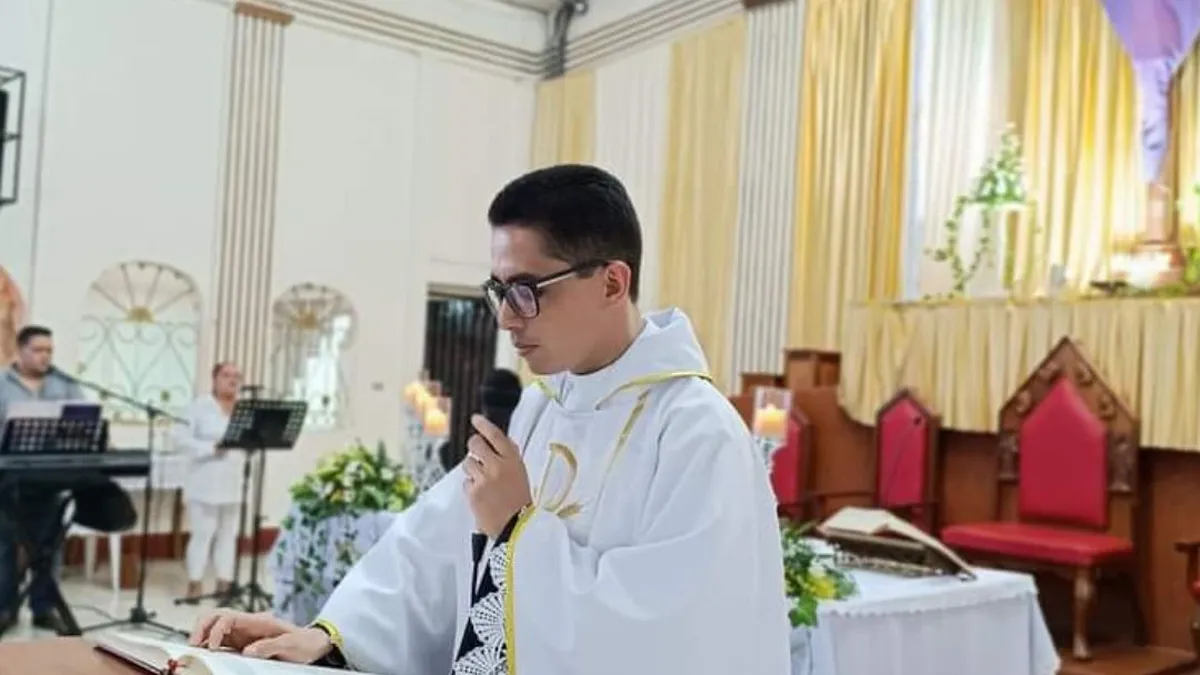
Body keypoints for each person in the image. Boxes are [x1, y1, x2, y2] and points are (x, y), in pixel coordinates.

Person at [189, 165, 791, 675]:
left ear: (612, 281)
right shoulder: (541, 406)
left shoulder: (696, 432)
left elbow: (674, 634)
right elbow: (433, 549)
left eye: (528, 289)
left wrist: (517, 530)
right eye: (498, 289)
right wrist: (331, 638)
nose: (506, 317)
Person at [0, 325, 84, 635]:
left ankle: (44, 608)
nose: (44, 356)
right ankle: (4, 608)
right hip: (7, 478)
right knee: (5, 544)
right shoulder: (2, 384)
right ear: (20, 351)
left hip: (51, 478)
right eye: (37, 350)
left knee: (50, 545)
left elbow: (83, 422)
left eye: (49, 350)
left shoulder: (65, 384)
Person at [171, 362, 244, 600]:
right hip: (204, 480)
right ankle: (195, 581)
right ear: (215, 379)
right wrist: (211, 448)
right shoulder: (199, 406)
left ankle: (225, 581)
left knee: (228, 534)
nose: (232, 380)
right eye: (226, 375)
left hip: (232, 481)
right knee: (202, 534)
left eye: (236, 376)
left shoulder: (243, 410)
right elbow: (179, 439)